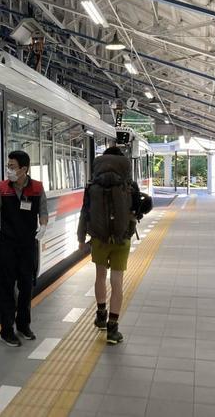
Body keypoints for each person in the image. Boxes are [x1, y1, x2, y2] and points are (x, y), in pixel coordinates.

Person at [0, 150, 48, 347]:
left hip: (27, 246)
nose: (9, 170)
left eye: (12, 167)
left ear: (24, 169)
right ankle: (7, 330)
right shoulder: (3, 188)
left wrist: (43, 226)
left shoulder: (37, 188)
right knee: (7, 288)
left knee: (26, 286)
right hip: (7, 244)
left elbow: (43, 211)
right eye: (8, 166)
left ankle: (23, 325)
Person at [77, 146, 138, 345]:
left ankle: (101, 315)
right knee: (117, 281)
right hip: (122, 238)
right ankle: (113, 329)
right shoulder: (129, 185)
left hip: (99, 237)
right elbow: (140, 208)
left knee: (100, 276)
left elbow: (85, 212)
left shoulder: (93, 185)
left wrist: (80, 238)